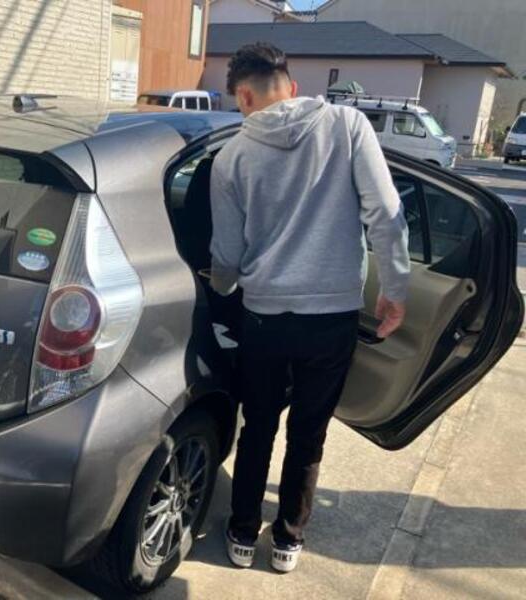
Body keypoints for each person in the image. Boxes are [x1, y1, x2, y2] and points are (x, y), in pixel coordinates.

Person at [209, 43, 410, 572]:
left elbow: (226, 254)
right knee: (309, 432)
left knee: (258, 426)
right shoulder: (347, 125)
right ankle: (288, 539)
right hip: (332, 317)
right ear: (293, 87)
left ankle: (242, 532)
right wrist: (395, 287)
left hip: (264, 317)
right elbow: (386, 212)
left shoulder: (230, 158)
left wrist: (221, 288)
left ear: (244, 96)